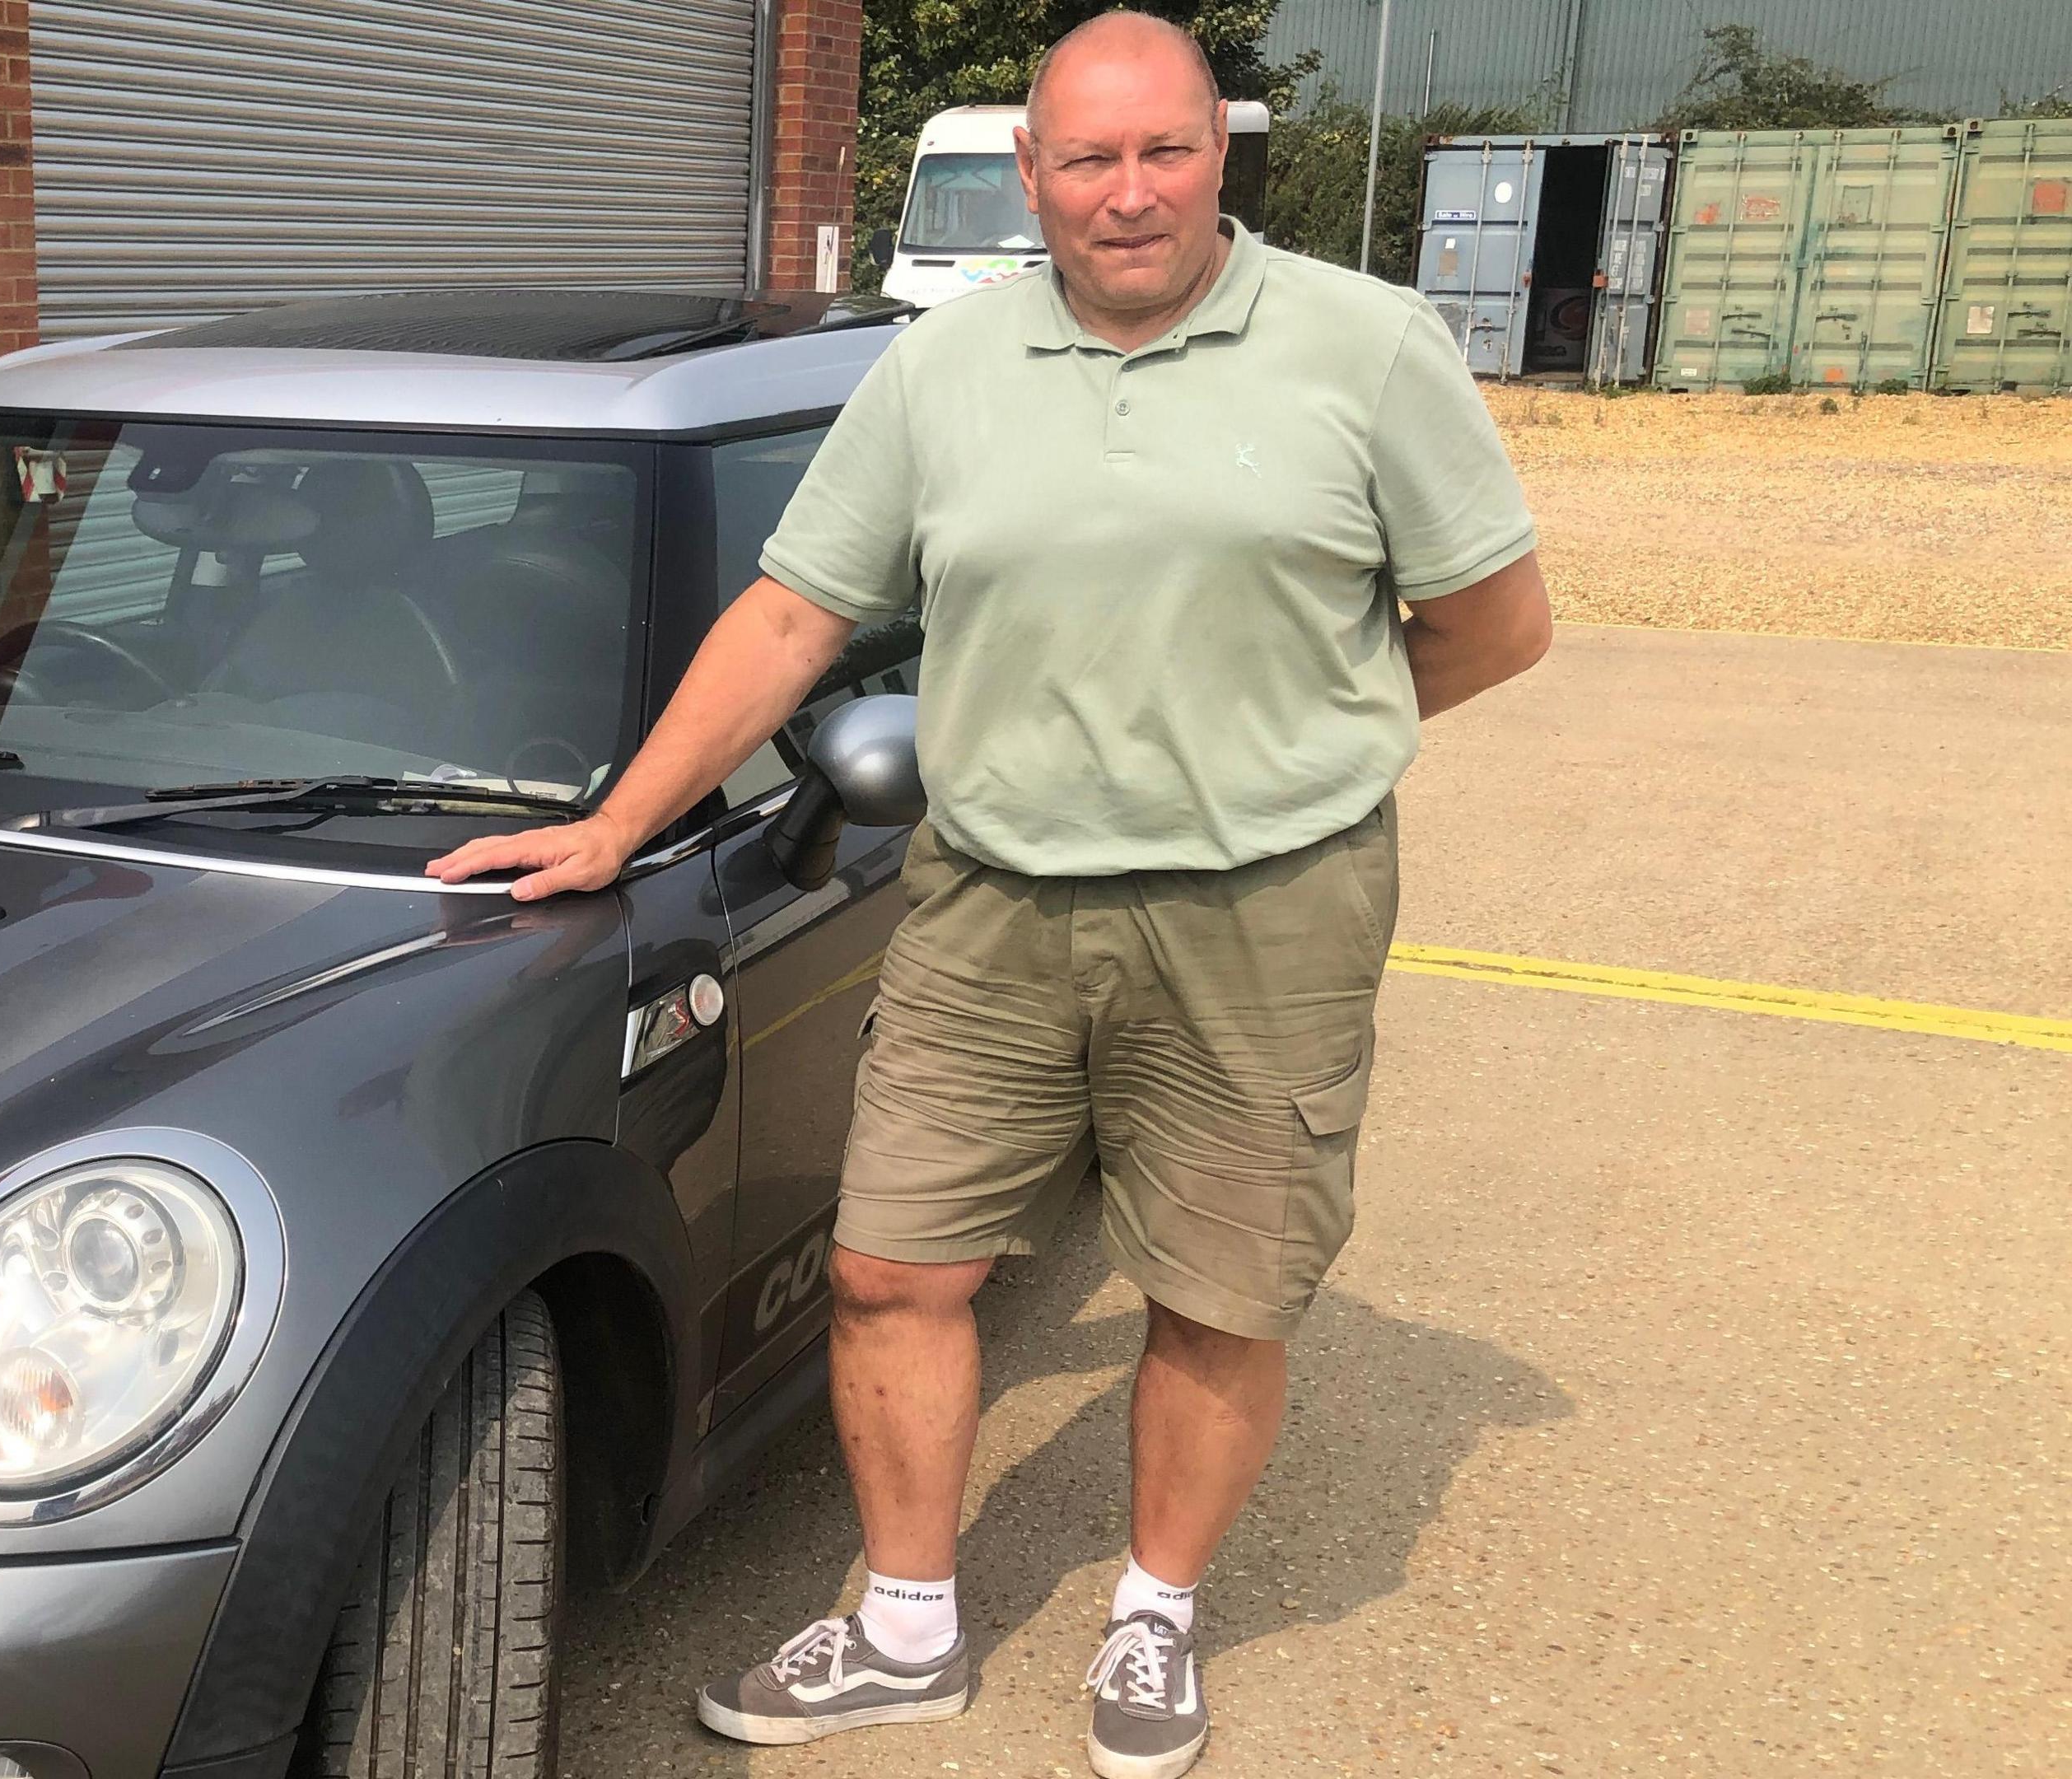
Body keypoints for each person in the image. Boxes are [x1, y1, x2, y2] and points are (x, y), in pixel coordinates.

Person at [425, 12, 1552, 1776]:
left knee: (1221, 1290)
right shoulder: (943, 370)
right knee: (886, 1270)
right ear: (1031, 177)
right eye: (1086, 159)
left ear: (1218, 158)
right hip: (992, 904)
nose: (1127, 194)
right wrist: (616, 825)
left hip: (1271, 914)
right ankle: (905, 1626)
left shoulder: (1368, 346)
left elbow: (1495, 623)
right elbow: (794, 613)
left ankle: (1155, 1615)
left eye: (1164, 151)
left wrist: (1295, 740)